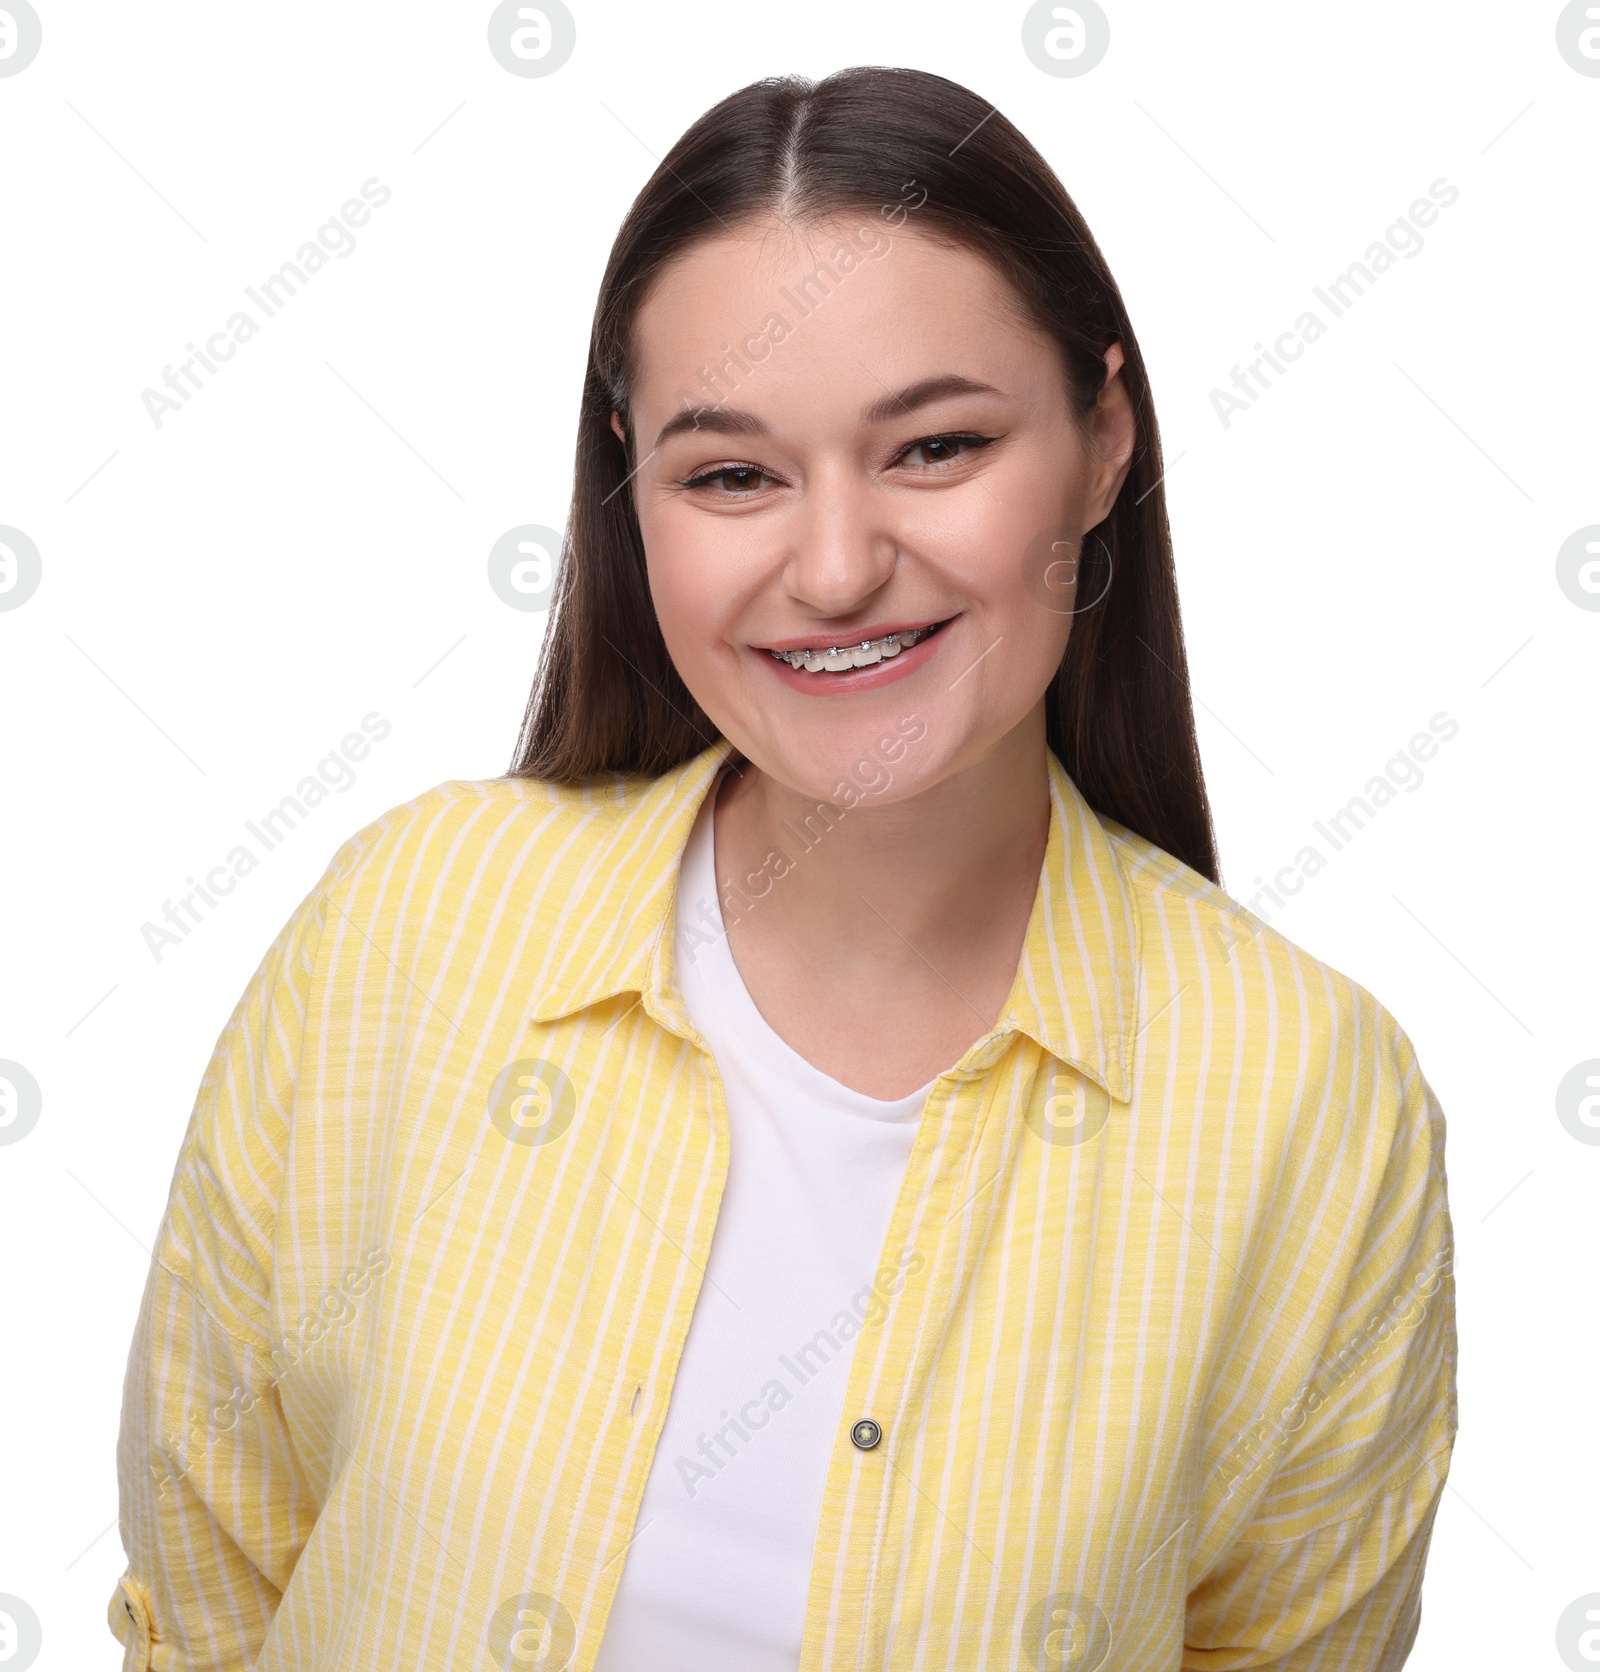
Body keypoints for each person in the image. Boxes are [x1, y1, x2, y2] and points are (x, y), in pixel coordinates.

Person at [109, 67, 1457, 1672]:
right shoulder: (406, 924)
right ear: (634, 483)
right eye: (732, 473)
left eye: (937, 446)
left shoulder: (1312, 1099)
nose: (833, 568)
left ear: (1103, 441)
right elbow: (206, 1589)